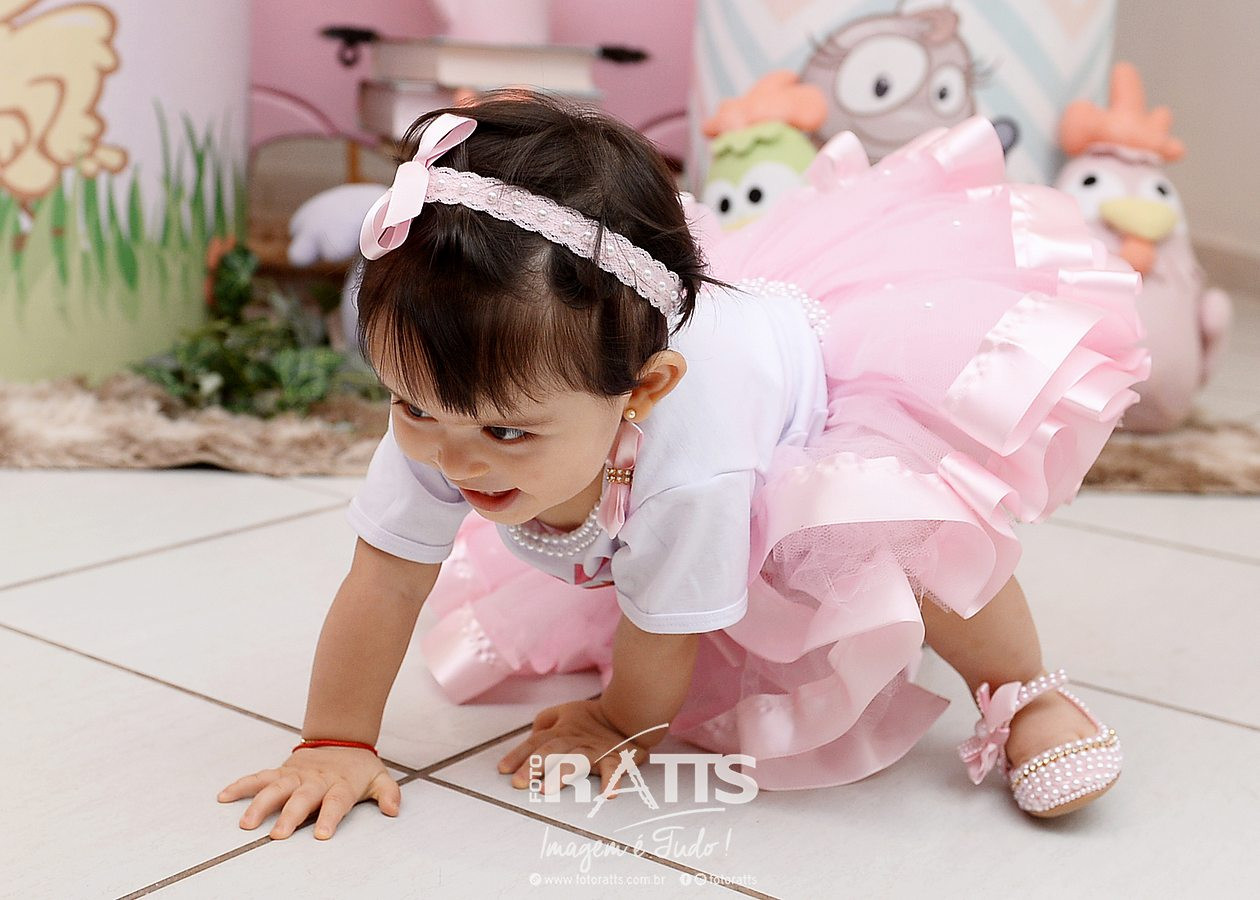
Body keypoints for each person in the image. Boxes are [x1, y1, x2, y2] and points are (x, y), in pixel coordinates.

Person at [218, 93, 1146, 841]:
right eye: (410, 405)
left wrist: (620, 720)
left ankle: (1023, 693)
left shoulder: (690, 465)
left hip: (812, 399)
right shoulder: (455, 403)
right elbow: (383, 580)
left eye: (505, 434)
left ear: (644, 390)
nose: (450, 457)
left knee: (914, 539)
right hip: (635, 408)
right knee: (594, 525)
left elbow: (664, 627)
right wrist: (336, 741)